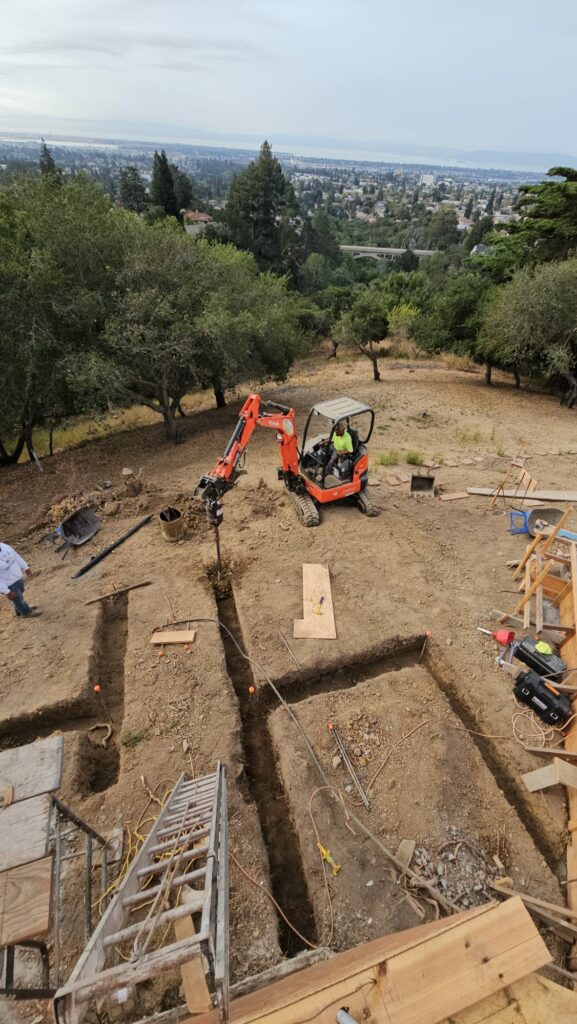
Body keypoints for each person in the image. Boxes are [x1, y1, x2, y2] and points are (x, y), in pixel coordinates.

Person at [0, 542, 41, 618]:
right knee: (17, 597)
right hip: (8, 583)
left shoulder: (4, 546)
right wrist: (6, 591)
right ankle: (25, 612)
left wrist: (25, 567)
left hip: (17, 577)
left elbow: (16, 556)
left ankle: (19, 608)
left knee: (20, 592)